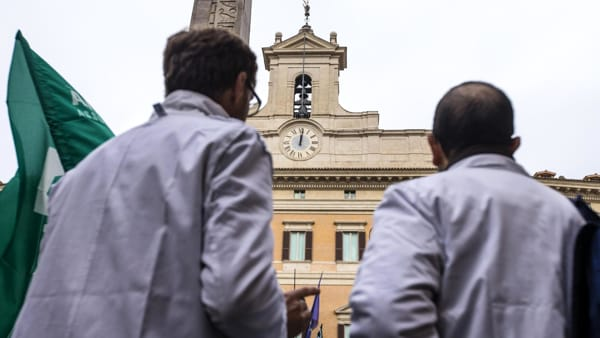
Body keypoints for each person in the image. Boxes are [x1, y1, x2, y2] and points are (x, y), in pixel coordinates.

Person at [11, 28, 318, 338]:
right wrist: (278, 320)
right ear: (240, 86)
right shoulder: (231, 143)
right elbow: (235, 298)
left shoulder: (79, 173)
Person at [349, 81, 585, 338]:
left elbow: (384, 318)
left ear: (434, 148)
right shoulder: (568, 214)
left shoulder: (416, 201)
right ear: (514, 145)